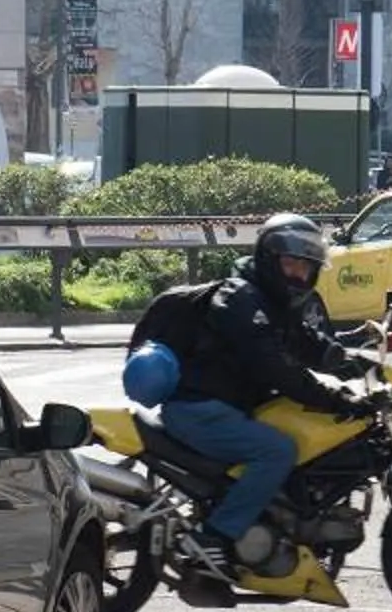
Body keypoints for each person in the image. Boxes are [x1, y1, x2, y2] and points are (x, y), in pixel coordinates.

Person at [155, 213, 378, 585]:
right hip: (199, 409)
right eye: (290, 264)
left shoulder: (270, 300)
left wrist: (351, 361)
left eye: (306, 268)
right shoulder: (242, 300)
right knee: (277, 451)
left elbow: (304, 341)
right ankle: (214, 536)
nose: (298, 275)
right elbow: (277, 369)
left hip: (228, 407)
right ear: (268, 260)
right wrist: (335, 399)